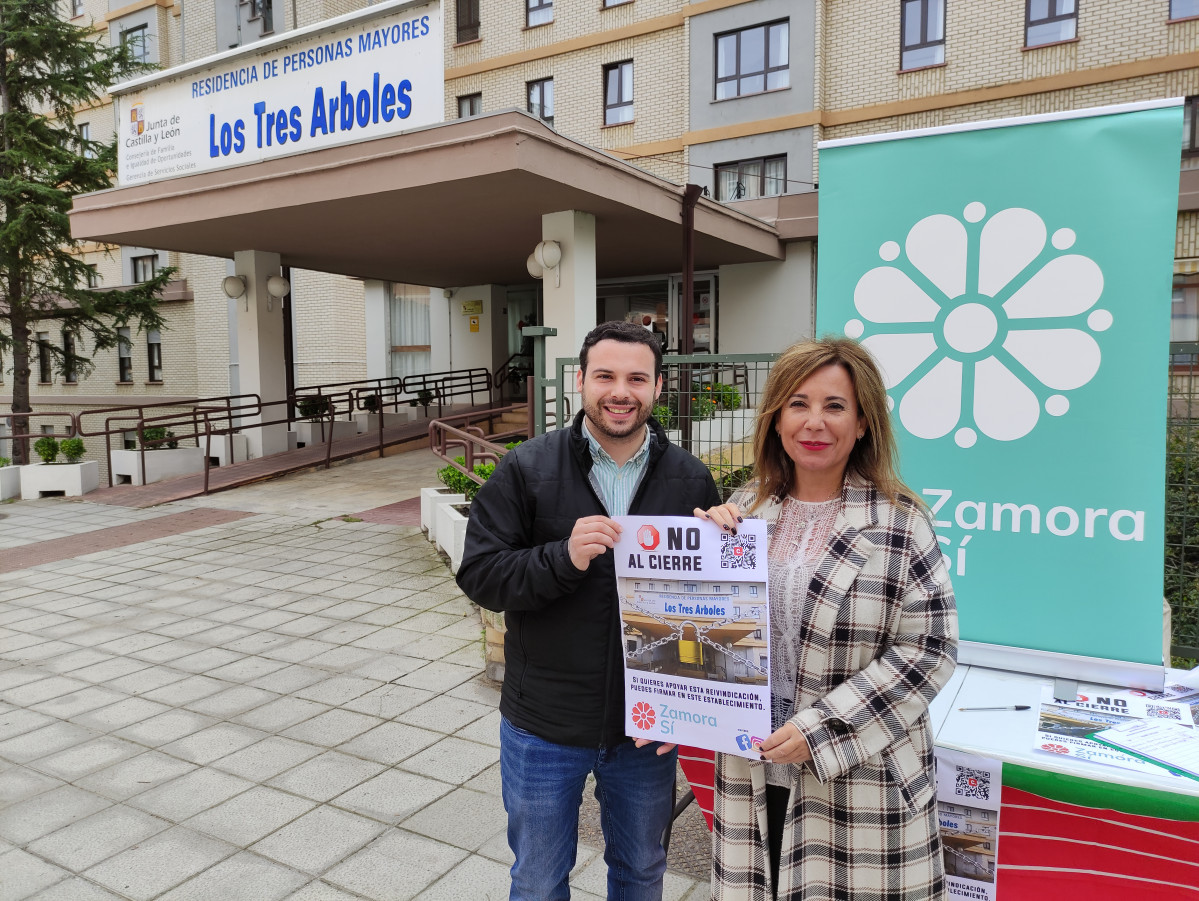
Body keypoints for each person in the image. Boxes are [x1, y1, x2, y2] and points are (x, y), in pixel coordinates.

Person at [457, 320, 722, 901]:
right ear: (581, 381)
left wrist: (727, 541)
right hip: (542, 724)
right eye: (605, 375)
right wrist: (562, 558)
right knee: (538, 878)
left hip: (646, 729)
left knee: (640, 872)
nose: (620, 391)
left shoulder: (690, 479)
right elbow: (479, 575)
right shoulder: (527, 468)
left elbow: (714, 609)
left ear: (656, 389)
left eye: (636, 378)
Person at [699, 337, 958, 900]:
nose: (814, 422)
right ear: (775, 419)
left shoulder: (898, 521)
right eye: (798, 403)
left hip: (858, 780)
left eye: (834, 406)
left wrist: (817, 732)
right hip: (754, 769)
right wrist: (703, 556)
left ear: (863, 423)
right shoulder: (746, 512)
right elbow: (704, 634)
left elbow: (929, 650)